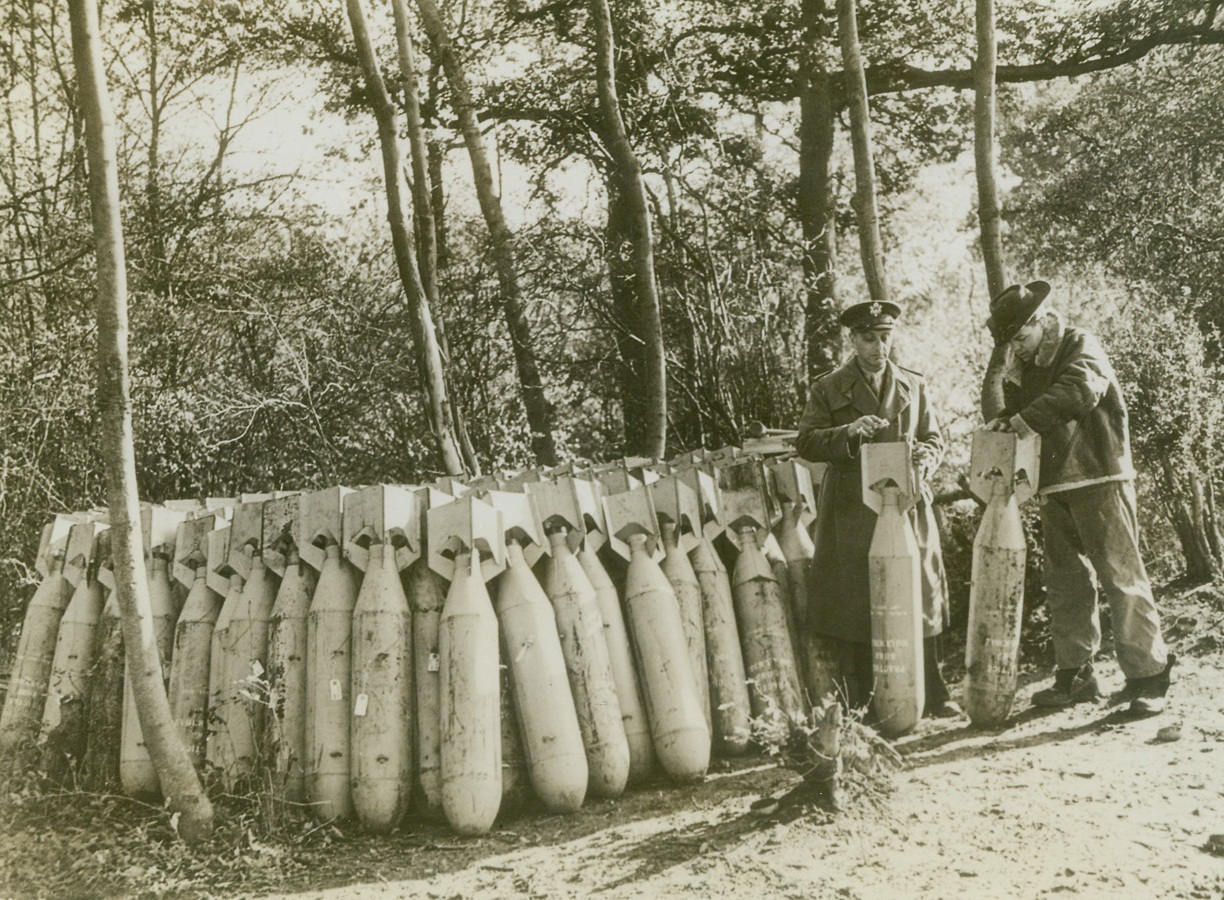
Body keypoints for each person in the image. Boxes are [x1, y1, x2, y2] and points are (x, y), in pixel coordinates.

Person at [982, 280, 1175, 716]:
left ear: (1041, 322)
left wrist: (1022, 421)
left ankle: (1149, 675)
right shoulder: (1019, 364)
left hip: (1099, 475)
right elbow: (1000, 414)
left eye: (1021, 337)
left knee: (1121, 578)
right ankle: (1076, 675)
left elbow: (1079, 391)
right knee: (1066, 584)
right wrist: (1003, 392)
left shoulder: (1081, 345)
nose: (1018, 348)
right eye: (1009, 341)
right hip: (1052, 485)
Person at [796, 300, 960, 720]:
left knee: (919, 588)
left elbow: (934, 438)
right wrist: (847, 432)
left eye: (885, 337)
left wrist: (925, 459)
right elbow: (807, 442)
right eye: (869, 338)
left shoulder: (913, 385)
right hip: (852, 507)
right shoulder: (829, 387)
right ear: (852, 340)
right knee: (857, 596)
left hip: (906, 503)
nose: (878, 347)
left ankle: (934, 691)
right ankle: (865, 697)